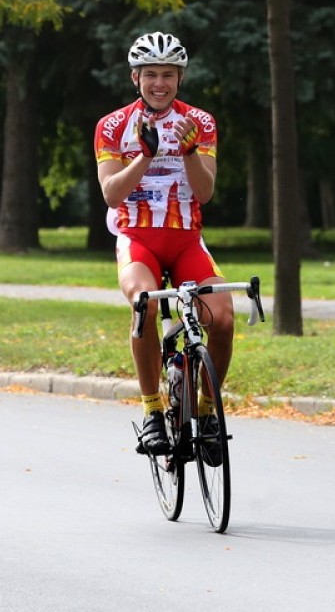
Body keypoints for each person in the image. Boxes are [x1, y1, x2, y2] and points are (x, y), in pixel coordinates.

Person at [94, 31, 234, 455]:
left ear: (179, 78)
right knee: (145, 304)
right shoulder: (113, 126)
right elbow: (111, 194)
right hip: (137, 239)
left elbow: (205, 192)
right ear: (135, 78)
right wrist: (145, 156)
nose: (160, 83)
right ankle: (153, 412)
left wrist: (189, 151)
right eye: (151, 74)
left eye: (168, 75)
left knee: (223, 319)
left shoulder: (201, 122)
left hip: (186, 240)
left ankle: (209, 412)